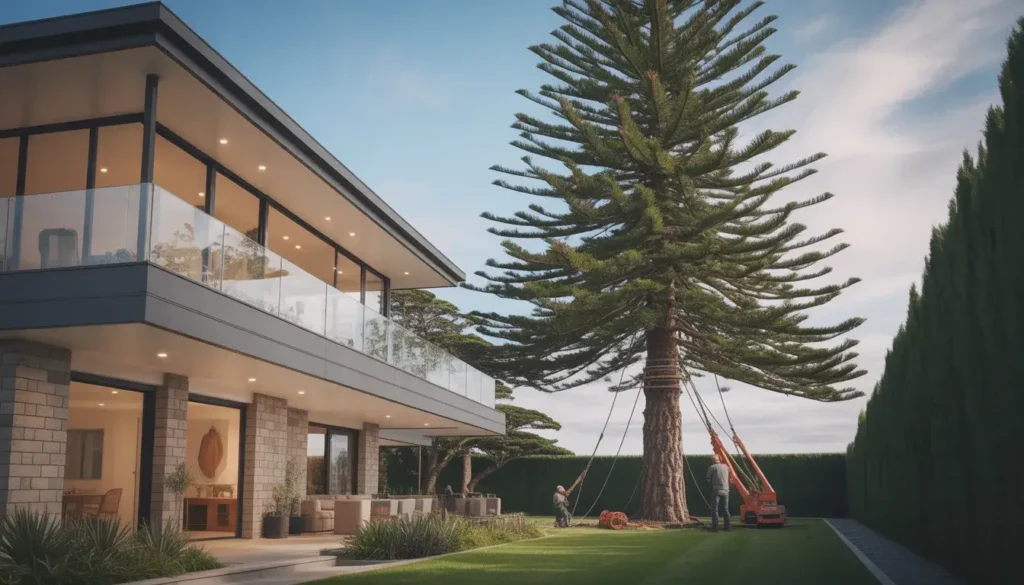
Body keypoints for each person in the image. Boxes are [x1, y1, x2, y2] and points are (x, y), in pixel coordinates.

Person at [706, 454, 731, 532]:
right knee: (726, 509)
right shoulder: (726, 467)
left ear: (713, 460)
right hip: (726, 490)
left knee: (714, 510)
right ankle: (727, 527)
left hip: (716, 490)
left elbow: (707, 480)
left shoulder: (712, 467)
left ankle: (715, 528)